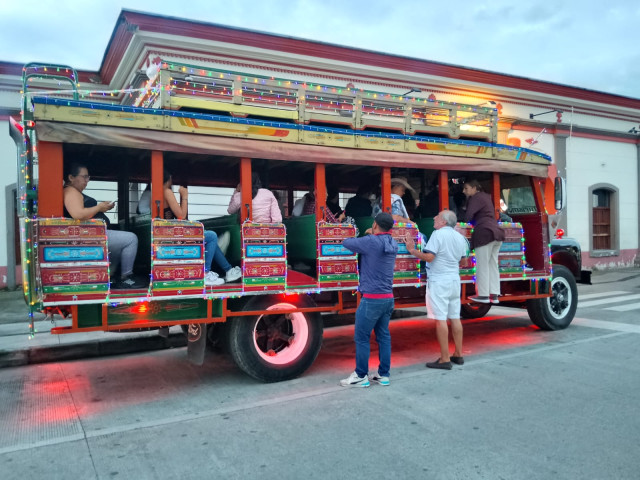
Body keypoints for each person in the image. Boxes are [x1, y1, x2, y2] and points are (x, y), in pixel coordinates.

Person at [63, 163, 145, 290]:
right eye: (84, 177)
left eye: (88, 177)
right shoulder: (71, 191)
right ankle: (126, 277)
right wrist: (99, 207)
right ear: (71, 177)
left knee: (119, 246)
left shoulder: (73, 191)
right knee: (131, 239)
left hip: (94, 235)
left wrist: (101, 209)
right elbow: (77, 214)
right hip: (89, 236)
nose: (86, 181)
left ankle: (111, 277)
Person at [339, 212, 398, 387]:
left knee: (362, 337)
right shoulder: (392, 243)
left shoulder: (371, 241)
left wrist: (367, 234)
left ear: (375, 225)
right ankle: (383, 375)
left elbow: (346, 242)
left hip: (371, 299)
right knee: (383, 336)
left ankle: (360, 376)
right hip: (388, 298)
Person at [405, 210, 469, 369]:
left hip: (439, 281)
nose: (434, 217)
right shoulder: (460, 237)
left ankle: (444, 358)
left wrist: (412, 250)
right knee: (455, 317)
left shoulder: (437, 234)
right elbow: (464, 262)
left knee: (440, 319)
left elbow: (429, 257)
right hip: (454, 280)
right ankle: (458, 354)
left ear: (444, 222)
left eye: (438, 216)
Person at [163, 170, 241, 286]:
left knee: (210, 239)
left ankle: (228, 270)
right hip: (172, 238)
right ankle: (205, 273)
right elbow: (182, 215)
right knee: (211, 236)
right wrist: (184, 196)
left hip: (170, 236)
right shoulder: (166, 191)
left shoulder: (158, 192)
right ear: (168, 179)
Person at [463, 179, 505, 304]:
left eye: (466, 188)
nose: (464, 191)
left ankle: (483, 295)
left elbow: (468, 215)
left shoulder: (476, 198)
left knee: (482, 265)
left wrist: (463, 221)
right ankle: (494, 294)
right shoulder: (486, 197)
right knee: (492, 264)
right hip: (496, 232)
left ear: (474, 188)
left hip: (485, 233)